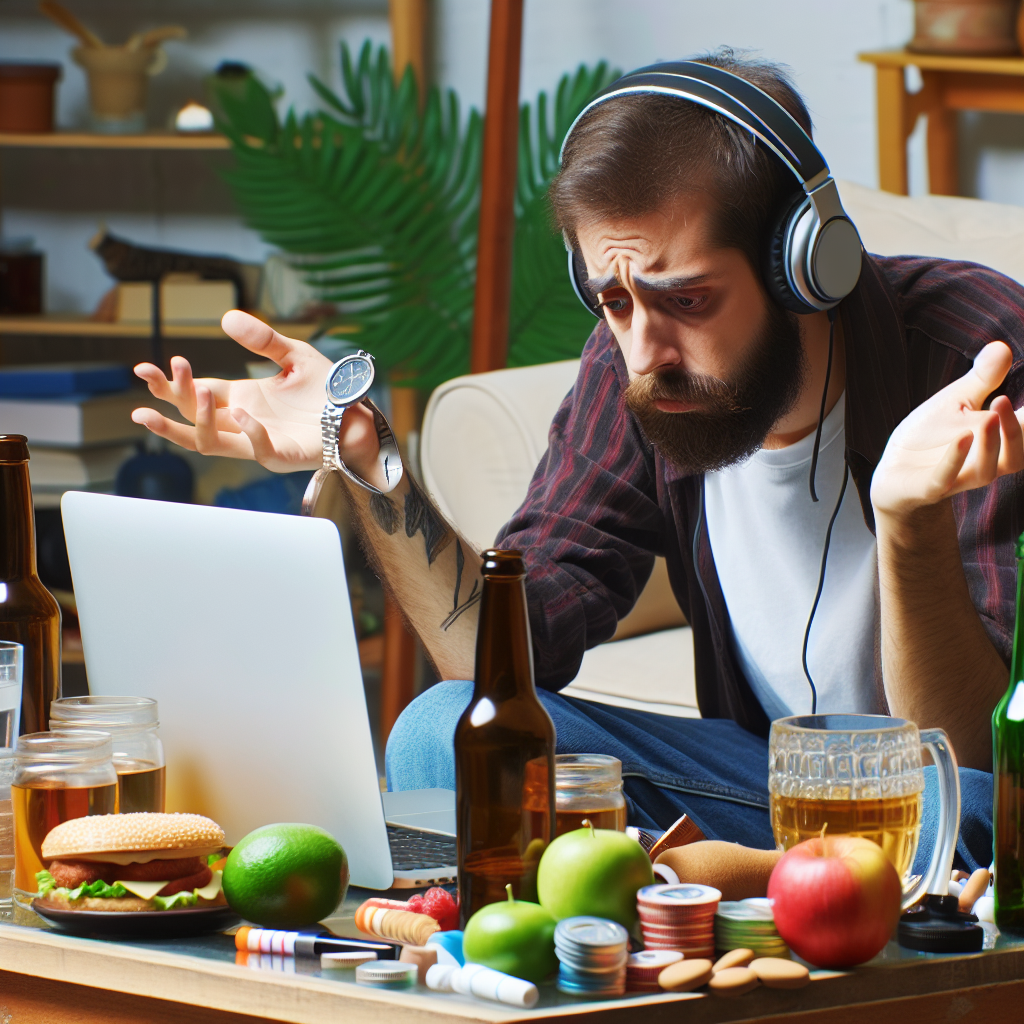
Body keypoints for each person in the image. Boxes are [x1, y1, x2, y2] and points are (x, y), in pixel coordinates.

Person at [132, 51, 1024, 872]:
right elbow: (503, 658)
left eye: (688, 299)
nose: (645, 350)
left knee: (987, 816)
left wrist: (910, 525)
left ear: (805, 265)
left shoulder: (976, 356)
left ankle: (721, 882)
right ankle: (714, 883)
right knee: (446, 731)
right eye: (612, 300)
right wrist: (366, 453)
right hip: (771, 788)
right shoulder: (632, 359)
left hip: (948, 797)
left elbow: (975, 748)